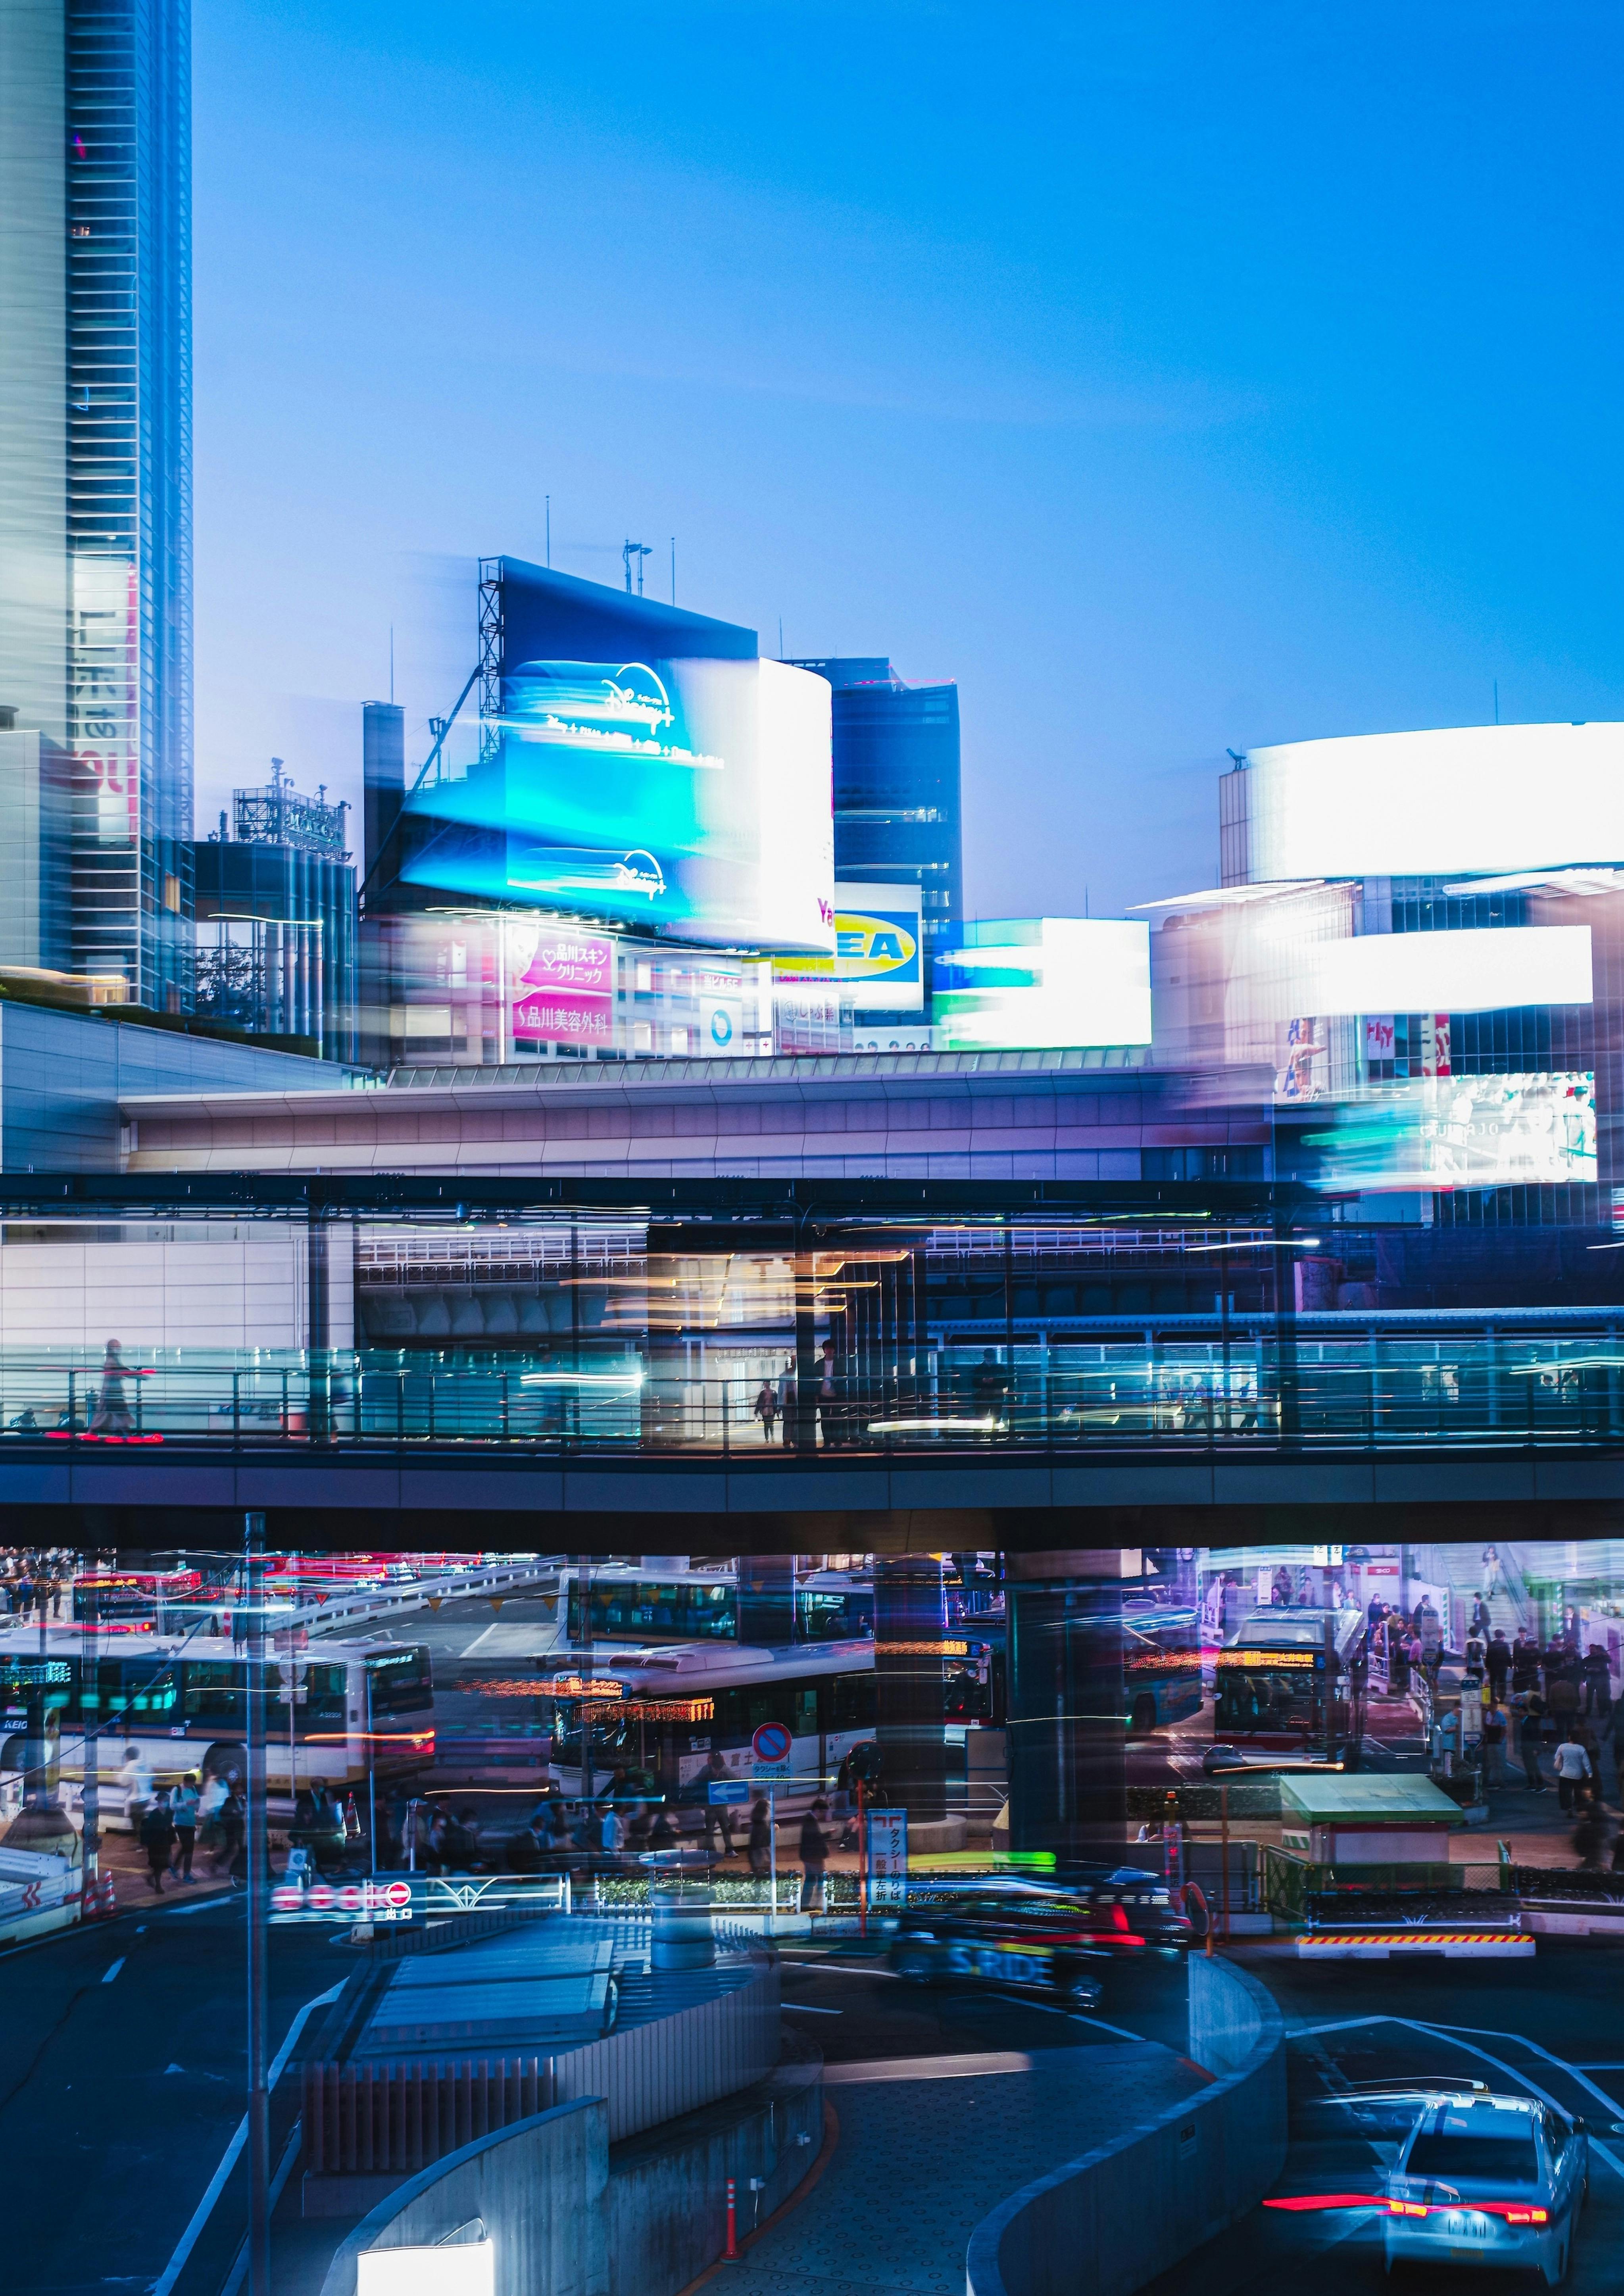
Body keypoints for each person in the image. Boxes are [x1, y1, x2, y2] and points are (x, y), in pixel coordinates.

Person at [89, 1339, 135, 1436]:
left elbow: (121, 1371)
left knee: (109, 1415)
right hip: (112, 1394)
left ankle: (91, 1434)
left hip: (113, 1394)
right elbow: (120, 1371)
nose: (118, 1350)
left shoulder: (112, 1360)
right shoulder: (112, 1362)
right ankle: (129, 1435)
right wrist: (137, 1375)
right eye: (116, 1347)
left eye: (119, 1347)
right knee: (115, 1415)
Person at [701, 1750, 736, 1858]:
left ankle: (730, 1850)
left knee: (725, 1828)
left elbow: (736, 1782)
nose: (710, 1760)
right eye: (710, 1758)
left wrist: (729, 1795)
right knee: (710, 1830)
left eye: (711, 1758)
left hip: (722, 1805)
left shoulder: (726, 1770)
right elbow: (697, 1781)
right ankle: (711, 1852)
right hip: (710, 1806)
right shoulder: (705, 1770)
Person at [798, 1797, 830, 1914]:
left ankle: (805, 1904)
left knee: (811, 1880)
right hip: (813, 1856)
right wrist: (828, 1834)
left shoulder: (809, 1818)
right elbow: (815, 1838)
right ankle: (819, 1903)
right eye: (823, 1812)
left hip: (809, 1855)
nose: (824, 1815)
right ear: (818, 1810)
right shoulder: (810, 1820)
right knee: (821, 1879)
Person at [139, 1789, 175, 1891]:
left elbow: (170, 1824)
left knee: (167, 1863)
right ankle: (158, 1886)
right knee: (158, 1865)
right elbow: (149, 1829)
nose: (165, 1803)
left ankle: (151, 1877)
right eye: (163, 1801)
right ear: (159, 1802)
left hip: (166, 1841)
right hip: (155, 1843)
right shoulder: (154, 1814)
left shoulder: (169, 1812)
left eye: (166, 1801)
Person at [169, 1773, 200, 1882]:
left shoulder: (193, 1789)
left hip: (191, 1822)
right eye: (190, 1783)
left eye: (193, 1783)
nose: (192, 1785)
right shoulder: (177, 1790)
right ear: (185, 1782)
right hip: (180, 1823)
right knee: (189, 1849)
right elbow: (172, 1806)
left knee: (186, 1847)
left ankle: (174, 1867)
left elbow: (196, 1802)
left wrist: (197, 1808)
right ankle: (187, 1875)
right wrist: (185, 1804)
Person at [1554, 1731, 1593, 1814]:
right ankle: (1578, 1806)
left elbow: (1556, 1757)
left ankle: (1569, 1808)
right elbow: (1587, 1763)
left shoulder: (1563, 1747)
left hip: (1565, 1774)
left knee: (1566, 1792)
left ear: (1569, 1737)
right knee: (1578, 1791)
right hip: (1578, 1775)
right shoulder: (1581, 1749)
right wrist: (1590, 1774)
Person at [1480, 1700, 1508, 1789]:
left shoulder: (1500, 1716)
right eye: (1490, 1706)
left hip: (1499, 1743)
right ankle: (1495, 1780)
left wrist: (1501, 1739)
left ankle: (1502, 1781)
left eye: (1493, 1706)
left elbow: (1504, 1729)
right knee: (1492, 1762)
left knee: (1500, 1762)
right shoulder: (1488, 1715)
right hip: (1491, 1742)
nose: (1491, 1707)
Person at [748, 1796, 772, 1880]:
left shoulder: (755, 1822)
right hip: (762, 1854)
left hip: (754, 1854)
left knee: (756, 1876)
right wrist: (771, 1831)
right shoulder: (762, 1825)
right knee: (766, 1876)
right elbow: (766, 1841)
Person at [1486, 1631, 1512, 1702]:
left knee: (1493, 1682)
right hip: (1503, 1667)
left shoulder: (1491, 1644)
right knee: (1503, 1682)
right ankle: (1502, 1698)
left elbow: (1488, 1656)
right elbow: (1508, 1655)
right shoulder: (1505, 1645)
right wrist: (1511, 1664)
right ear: (1503, 1636)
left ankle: (1493, 1697)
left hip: (1493, 1667)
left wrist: (1487, 1666)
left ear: (1495, 1636)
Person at [752, 1379, 778, 1444]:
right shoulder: (763, 1393)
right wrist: (756, 1412)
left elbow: (777, 1402)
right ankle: (767, 1438)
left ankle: (772, 1437)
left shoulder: (774, 1393)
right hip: (765, 1411)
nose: (766, 1385)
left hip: (772, 1410)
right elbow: (759, 1402)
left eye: (767, 1383)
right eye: (765, 1384)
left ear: (769, 1384)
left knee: (771, 1424)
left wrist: (778, 1410)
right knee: (766, 1425)